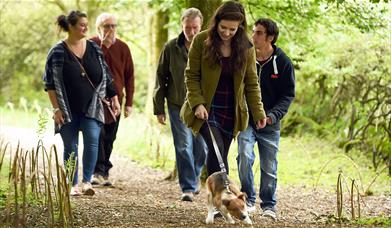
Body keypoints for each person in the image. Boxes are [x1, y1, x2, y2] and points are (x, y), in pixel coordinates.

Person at [180, 1, 267, 179]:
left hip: (231, 110)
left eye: (232, 29)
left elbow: (251, 83)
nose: (227, 33)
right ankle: (222, 196)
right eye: (223, 27)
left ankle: (216, 199)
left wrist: (259, 113)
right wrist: (197, 103)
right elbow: (191, 75)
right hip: (207, 107)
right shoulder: (201, 41)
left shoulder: (247, 48)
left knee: (220, 154)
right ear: (216, 22)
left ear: (240, 27)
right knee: (216, 148)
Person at [43, 10, 121, 196]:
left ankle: (87, 182)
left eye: (87, 24)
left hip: (92, 106)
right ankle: (73, 184)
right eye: (82, 24)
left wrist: (115, 98)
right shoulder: (57, 51)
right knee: (71, 146)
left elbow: (106, 76)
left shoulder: (94, 48)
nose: (86, 27)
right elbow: (50, 84)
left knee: (93, 141)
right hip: (66, 109)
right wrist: (56, 109)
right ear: (71, 27)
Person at [237, 18, 295, 220]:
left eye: (258, 33)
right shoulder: (245, 58)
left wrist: (270, 117)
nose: (253, 36)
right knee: (244, 155)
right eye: (253, 31)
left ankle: (269, 204)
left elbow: (288, 95)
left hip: (270, 123)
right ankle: (248, 199)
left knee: (269, 166)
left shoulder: (283, 62)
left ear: (270, 37)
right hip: (247, 120)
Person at [153, 8, 207, 202]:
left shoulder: (208, 47)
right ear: (182, 26)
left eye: (195, 28)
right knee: (183, 145)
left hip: (203, 106)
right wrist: (159, 108)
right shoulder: (170, 48)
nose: (191, 32)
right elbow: (161, 77)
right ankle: (188, 187)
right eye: (187, 28)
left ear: (201, 26)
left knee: (202, 147)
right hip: (177, 104)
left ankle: (195, 175)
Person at [90, 13, 135, 186]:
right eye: (106, 26)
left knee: (110, 136)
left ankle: (104, 170)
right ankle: (97, 171)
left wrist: (129, 103)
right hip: (95, 99)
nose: (110, 30)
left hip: (117, 99)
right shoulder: (91, 45)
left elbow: (130, 76)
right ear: (98, 28)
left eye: (113, 26)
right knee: (97, 134)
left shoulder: (123, 48)